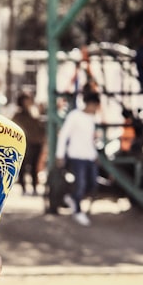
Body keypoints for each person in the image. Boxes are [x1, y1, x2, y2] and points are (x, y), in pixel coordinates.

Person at [54, 90, 101, 227]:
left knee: (93, 183)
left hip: (90, 157)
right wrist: (60, 155)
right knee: (80, 184)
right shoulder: (74, 116)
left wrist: (95, 154)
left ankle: (73, 198)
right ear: (91, 104)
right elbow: (64, 136)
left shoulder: (92, 118)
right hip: (76, 156)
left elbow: (90, 140)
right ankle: (78, 211)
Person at [11, 90, 46, 196]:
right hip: (25, 143)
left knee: (35, 166)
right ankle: (24, 188)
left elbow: (40, 127)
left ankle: (34, 187)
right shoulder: (18, 114)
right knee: (22, 166)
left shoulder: (34, 111)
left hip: (36, 143)